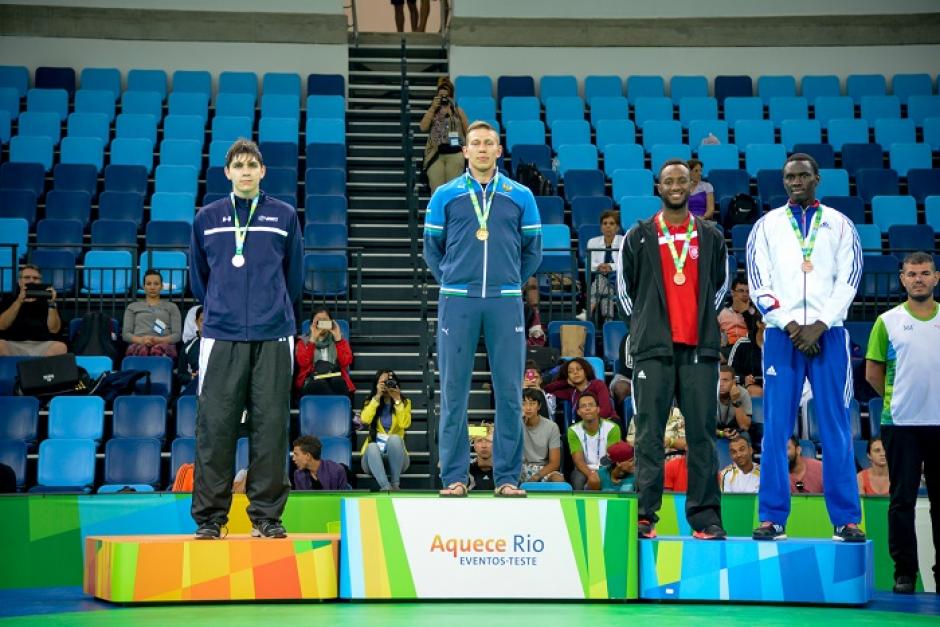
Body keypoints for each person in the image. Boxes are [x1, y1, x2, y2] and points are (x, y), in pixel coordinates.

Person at [746, 152, 865, 543]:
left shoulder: (840, 225)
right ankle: (772, 517)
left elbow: (849, 279)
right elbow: (759, 282)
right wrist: (791, 324)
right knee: (776, 429)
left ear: (817, 178)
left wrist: (820, 323)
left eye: (802, 176)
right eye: (789, 177)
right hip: (783, 335)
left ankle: (846, 519)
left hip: (828, 334)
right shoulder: (765, 227)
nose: (795, 182)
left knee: (835, 428)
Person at [189, 138, 303, 539]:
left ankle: (267, 517)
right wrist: (223, 309)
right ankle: (210, 519)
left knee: (271, 427)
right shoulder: (207, 217)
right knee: (215, 427)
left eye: (252, 164)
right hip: (221, 335)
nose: (246, 171)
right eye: (238, 165)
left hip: (274, 335)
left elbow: (294, 277)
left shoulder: (284, 216)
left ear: (262, 171)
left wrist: (274, 314)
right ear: (227, 172)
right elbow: (199, 279)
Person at [423, 120, 542, 497]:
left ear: (499, 150)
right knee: (453, 390)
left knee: (509, 391)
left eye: (489, 143)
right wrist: (455, 280)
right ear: (465, 150)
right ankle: (455, 477)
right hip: (457, 300)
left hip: (505, 301)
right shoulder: (445, 195)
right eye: (476, 143)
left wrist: (508, 282)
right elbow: (432, 250)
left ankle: (507, 478)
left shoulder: (521, 195)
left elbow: (532, 252)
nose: (483, 149)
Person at [616, 158, 729, 540]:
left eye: (682, 180)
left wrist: (700, 325)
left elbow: (720, 288)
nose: (676, 186)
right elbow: (625, 291)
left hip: (699, 351)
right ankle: (645, 514)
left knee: (701, 435)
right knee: (648, 434)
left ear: (691, 185)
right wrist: (645, 328)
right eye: (669, 181)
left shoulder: (711, 235)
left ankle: (706, 518)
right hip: (652, 350)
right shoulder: (639, 235)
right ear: (658, 187)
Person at [865, 251, 940, 593]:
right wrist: (900, 401)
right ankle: (905, 572)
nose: (919, 278)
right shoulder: (888, 321)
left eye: (925, 272)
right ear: (903, 279)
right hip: (901, 424)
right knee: (902, 500)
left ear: (936, 278)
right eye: (912, 273)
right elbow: (873, 371)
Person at [360, 369, 411, 491]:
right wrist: (377, 397)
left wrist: (397, 400)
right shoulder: (370, 401)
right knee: (372, 447)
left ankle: (395, 484)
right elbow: (365, 420)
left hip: (397, 457)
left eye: (390, 382)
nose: (387, 386)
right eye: (383, 383)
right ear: (377, 384)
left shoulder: (405, 402)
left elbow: (404, 424)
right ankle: (386, 487)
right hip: (373, 459)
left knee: (394, 439)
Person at [0, 264, 66, 357]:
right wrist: (19, 301)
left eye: (35, 278)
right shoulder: (10, 298)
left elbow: (54, 330)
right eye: (27, 277)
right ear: (19, 281)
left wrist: (51, 304)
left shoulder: (47, 299)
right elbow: (2, 325)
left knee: (60, 347)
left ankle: (42, 371)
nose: (31, 280)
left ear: (40, 281)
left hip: (42, 345)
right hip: (14, 344)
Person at [419, 77, 469, 193]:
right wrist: (432, 108)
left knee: (453, 191)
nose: (443, 99)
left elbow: (468, 131)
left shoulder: (458, 111)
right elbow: (423, 127)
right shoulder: (433, 111)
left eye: (446, 96)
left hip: (455, 154)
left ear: (451, 97)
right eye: (440, 96)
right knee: (437, 191)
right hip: (435, 154)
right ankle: (437, 211)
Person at [294, 308, 355, 400]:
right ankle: (342, 408)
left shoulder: (339, 340)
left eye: (325, 320)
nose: (322, 323)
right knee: (319, 383)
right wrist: (312, 340)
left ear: (331, 323)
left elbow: (345, 362)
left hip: (335, 377)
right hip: (312, 380)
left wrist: (338, 338)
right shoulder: (303, 341)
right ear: (312, 324)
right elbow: (303, 362)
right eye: (318, 320)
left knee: (337, 381)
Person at [567, 392, 622, 491]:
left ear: (598, 409)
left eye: (591, 405)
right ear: (579, 412)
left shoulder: (612, 428)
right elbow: (578, 460)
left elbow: (612, 457)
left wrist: (599, 473)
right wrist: (590, 474)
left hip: (606, 468)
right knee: (577, 479)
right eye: (583, 406)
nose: (587, 408)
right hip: (584, 469)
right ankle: (580, 506)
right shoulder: (573, 430)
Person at [122, 269, 181, 358]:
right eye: (148, 284)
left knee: (158, 350)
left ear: (161, 286)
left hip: (164, 345)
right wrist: (141, 340)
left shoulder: (172, 307)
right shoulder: (132, 307)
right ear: (144, 286)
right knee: (142, 350)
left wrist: (159, 340)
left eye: (156, 284)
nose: (152, 287)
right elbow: (126, 334)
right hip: (138, 344)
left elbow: (177, 335)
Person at [544, 357, 618, 423]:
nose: (575, 372)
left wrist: (588, 424)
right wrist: (566, 382)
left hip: (608, 422)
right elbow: (548, 389)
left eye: (579, 369)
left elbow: (606, 411)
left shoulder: (598, 384)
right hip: (585, 427)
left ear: (586, 371)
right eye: (570, 371)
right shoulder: (571, 392)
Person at [586, 210, 623, 325]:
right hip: (598, 278)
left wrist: (610, 267)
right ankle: (608, 323)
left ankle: (588, 310)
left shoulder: (623, 241)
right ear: (601, 227)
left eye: (612, 223)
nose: (608, 226)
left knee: (602, 281)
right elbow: (589, 264)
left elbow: (625, 263)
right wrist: (600, 267)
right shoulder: (592, 242)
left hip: (618, 281)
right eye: (605, 223)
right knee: (604, 286)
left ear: (617, 227)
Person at [520, 388, 563, 483]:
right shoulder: (515, 425)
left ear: (539, 406)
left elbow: (555, 463)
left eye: (532, 404)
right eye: (523, 404)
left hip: (543, 469)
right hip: (519, 468)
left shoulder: (551, 427)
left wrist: (536, 476)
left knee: (558, 479)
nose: (528, 408)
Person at [727, 313, 765, 398]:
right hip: (749, 387)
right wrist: (744, 379)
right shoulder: (743, 344)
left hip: (774, 385)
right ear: (759, 323)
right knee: (756, 391)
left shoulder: (778, 346)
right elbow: (728, 375)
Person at [718, 278, 757, 350]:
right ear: (732, 293)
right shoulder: (722, 313)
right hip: (726, 348)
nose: (745, 294)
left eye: (748, 291)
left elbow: (755, 335)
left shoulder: (754, 313)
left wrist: (745, 312)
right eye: (741, 291)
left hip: (748, 349)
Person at [716, 365, 752, 438]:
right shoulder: (708, 393)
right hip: (715, 431)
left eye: (725, 380)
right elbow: (702, 427)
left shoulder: (743, 393)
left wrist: (735, 401)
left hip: (736, 431)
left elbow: (745, 426)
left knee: (745, 436)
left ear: (734, 382)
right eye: (718, 380)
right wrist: (721, 433)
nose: (721, 384)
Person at [177, 306, 202, 396]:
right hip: (195, 385)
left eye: (209, 321)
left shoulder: (221, 345)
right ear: (196, 322)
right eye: (202, 321)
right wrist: (191, 377)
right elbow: (180, 375)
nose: (205, 324)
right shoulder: (188, 347)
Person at [468, 425, 495, 492]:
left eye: (488, 441)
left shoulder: (505, 471)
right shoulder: (466, 470)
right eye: (479, 441)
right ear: (474, 446)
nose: (484, 445)